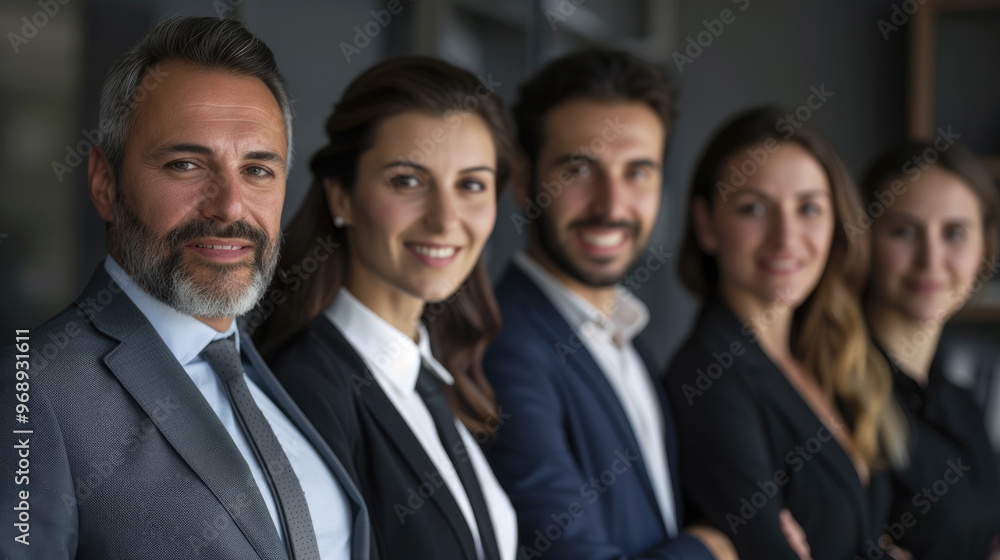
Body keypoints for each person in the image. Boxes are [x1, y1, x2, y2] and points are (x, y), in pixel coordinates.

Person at [0, 16, 372, 560]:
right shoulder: (30, 384)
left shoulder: (267, 373)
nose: (228, 205)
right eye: (186, 164)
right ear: (106, 183)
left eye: (258, 170)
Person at [256, 56, 518, 560]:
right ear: (343, 196)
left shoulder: (434, 373)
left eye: (471, 185)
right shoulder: (306, 390)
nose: (445, 221)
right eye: (407, 180)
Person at [481, 49, 735, 559]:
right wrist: (713, 549)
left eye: (637, 172)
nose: (612, 205)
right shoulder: (505, 348)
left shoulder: (626, 337)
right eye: (579, 169)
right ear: (525, 183)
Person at [662, 106, 910, 560]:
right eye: (754, 208)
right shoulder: (709, 379)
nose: (786, 237)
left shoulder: (822, 358)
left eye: (809, 208)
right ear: (705, 224)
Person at [861, 140, 1000, 558]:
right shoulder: (836, 394)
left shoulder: (959, 400)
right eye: (904, 231)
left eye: (954, 233)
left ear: (985, 251)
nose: (931, 259)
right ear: (864, 240)